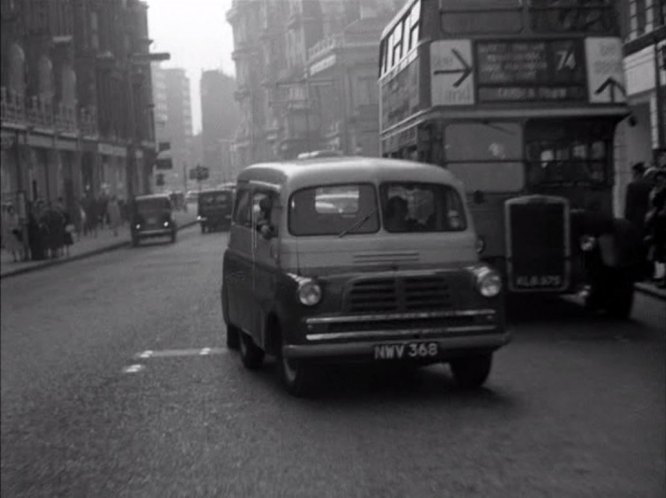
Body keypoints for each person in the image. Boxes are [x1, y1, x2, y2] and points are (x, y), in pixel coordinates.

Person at [645, 168, 666, 288]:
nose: (660, 182)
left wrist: (655, 213)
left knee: (662, 249)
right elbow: (653, 206)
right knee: (659, 249)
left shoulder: (662, 192)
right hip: (657, 224)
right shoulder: (655, 191)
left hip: (662, 223)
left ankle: (662, 277)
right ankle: (660, 276)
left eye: (662, 179)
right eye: (658, 180)